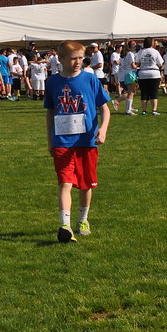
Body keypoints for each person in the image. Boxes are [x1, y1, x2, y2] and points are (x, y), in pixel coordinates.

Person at [44, 40, 111, 244]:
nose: (78, 62)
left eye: (81, 58)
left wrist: (103, 129)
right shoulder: (53, 82)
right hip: (62, 141)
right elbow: (50, 111)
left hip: (87, 140)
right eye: (73, 58)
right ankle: (64, 225)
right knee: (65, 182)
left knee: (85, 184)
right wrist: (50, 139)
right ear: (61, 59)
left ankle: (83, 220)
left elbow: (105, 108)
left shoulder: (90, 79)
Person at [137, 38, 164, 115]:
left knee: (144, 93)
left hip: (143, 74)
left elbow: (137, 63)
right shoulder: (155, 52)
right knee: (154, 92)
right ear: (152, 43)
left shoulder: (140, 52)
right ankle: (154, 110)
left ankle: (144, 110)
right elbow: (160, 63)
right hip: (154, 73)